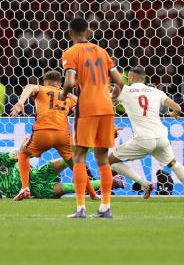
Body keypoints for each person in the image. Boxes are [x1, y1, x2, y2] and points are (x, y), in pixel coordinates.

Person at [60, 17, 124, 218]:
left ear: (70, 33)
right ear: (88, 32)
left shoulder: (70, 52)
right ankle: (105, 207)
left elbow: (70, 81)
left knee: (78, 156)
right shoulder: (102, 51)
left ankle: (80, 208)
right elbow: (119, 81)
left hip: (87, 108)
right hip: (106, 108)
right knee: (103, 157)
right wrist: (113, 96)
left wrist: (63, 94)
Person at [108, 67, 184, 201]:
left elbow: (108, 105)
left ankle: (145, 184)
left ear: (131, 78)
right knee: (173, 163)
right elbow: (178, 108)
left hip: (144, 139)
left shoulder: (124, 90)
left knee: (110, 161)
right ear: (144, 79)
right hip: (161, 137)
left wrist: (111, 126)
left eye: (128, 77)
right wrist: (173, 113)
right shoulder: (156, 91)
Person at [10, 70, 98, 200]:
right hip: (62, 135)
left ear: (45, 82)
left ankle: (25, 187)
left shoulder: (41, 89)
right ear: (60, 84)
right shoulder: (66, 96)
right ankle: (93, 194)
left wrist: (20, 102)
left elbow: (29, 87)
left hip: (43, 133)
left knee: (23, 152)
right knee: (77, 165)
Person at [0, 143, 125, 199]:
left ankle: (96, 146)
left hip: (35, 175)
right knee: (70, 187)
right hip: (37, 191)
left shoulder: (2, 159)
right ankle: (114, 182)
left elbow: (21, 154)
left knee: (66, 158)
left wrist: (25, 149)